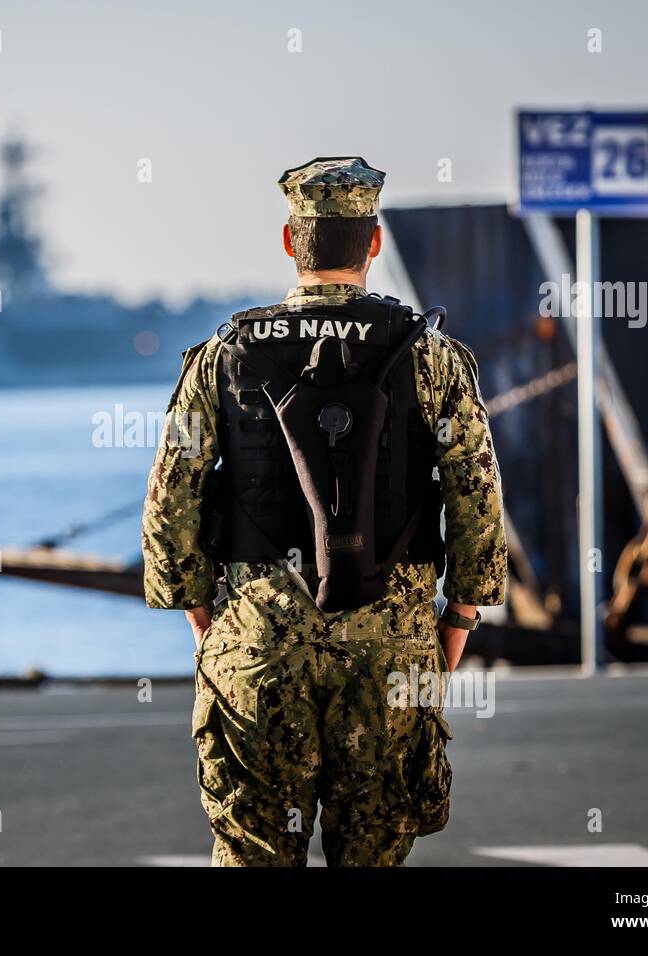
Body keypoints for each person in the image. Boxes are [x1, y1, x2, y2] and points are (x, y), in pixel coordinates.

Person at [141, 156, 507, 866]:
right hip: (394, 648)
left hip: (258, 641)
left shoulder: (226, 355)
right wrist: (456, 623)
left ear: (289, 241)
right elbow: (477, 496)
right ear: (374, 243)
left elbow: (169, 498)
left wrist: (208, 627)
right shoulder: (430, 357)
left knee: (255, 855)